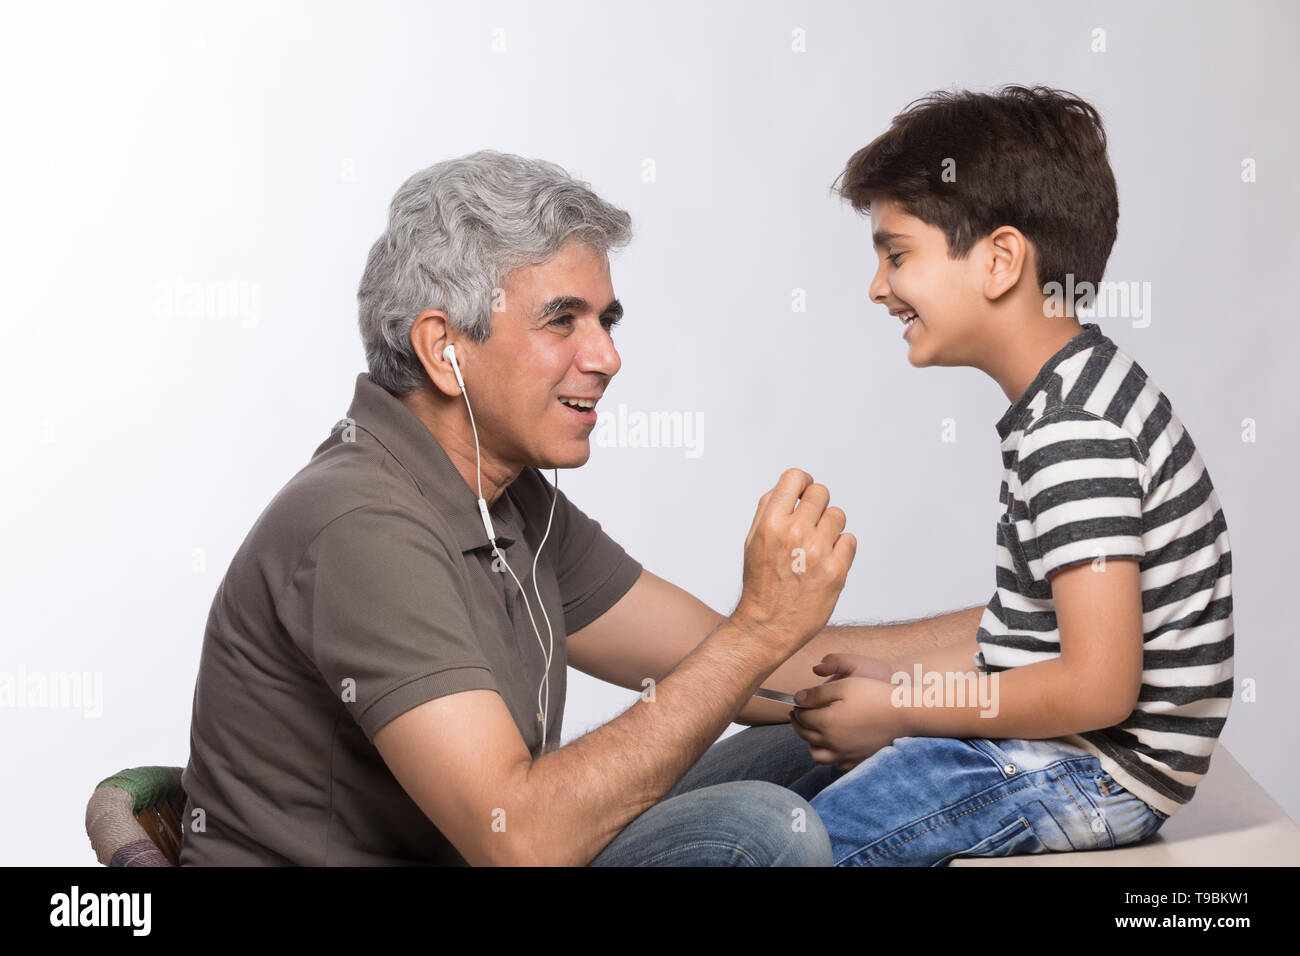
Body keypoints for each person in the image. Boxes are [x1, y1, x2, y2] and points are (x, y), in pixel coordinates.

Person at [178, 151, 960, 866]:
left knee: (822, 745)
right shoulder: (359, 524)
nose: (607, 358)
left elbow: (761, 671)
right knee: (754, 832)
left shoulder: (508, 501)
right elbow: (521, 839)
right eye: (563, 320)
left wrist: (1025, 629)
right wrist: (757, 627)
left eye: (606, 321)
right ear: (443, 349)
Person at [785, 85, 1235, 866]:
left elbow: (1098, 688)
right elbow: (1037, 640)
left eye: (897, 255)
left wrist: (904, 707)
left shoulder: (1073, 428)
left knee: (795, 847)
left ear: (999, 260)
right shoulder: (1081, 390)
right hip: (1092, 760)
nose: (878, 287)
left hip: (1095, 770)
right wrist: (900, 683)